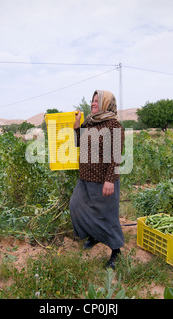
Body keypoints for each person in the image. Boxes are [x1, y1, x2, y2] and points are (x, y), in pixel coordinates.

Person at [69, 90, 125, 269]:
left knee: (107, 217)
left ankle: (116, 251)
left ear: (105, 104)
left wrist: (110, 179)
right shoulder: (90, 123)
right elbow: (79, 142)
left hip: (103, 180)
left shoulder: (113, 126)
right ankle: (93, 235)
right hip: (85, 177)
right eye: (92, 101)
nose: (92, 104)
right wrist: (77, 126)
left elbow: (116, 156)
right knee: (76, 206)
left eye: (96, 101)